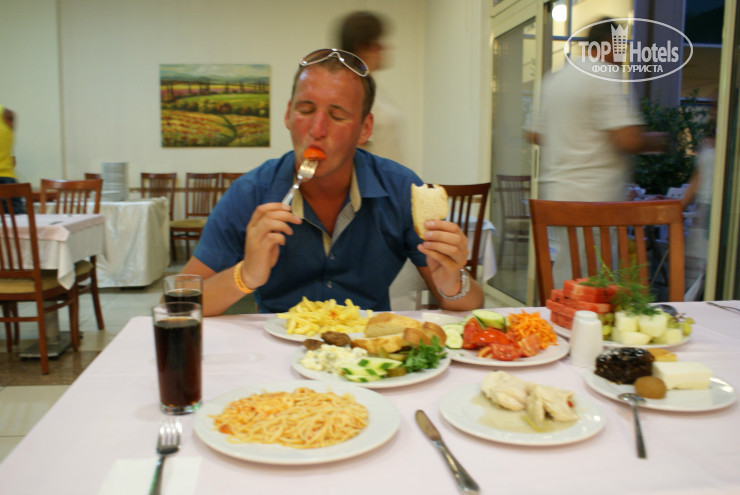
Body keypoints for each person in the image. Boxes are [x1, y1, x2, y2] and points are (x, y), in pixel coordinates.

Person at [181, 49, 483, 316]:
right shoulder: (250, 193)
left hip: (367, 350)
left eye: (337, 116)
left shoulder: (401, 190)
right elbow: (179, 302)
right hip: (275, 353)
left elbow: (471, 304)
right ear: (288, 115)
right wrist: (245, 275)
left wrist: (452, 281)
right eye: (305, 110)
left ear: (365, 129)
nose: (317, 129)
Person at [527, 18, 667, 287]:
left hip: (559, 195)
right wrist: (661, 141)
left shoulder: (555, 80)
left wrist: (572, 135)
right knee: (591, 281)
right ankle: (567, 313)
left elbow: (535, 134)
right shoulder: (603, 75)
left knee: (570, 269)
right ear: (608, 44)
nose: (623, 56)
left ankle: (555, 311)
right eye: (621, 47)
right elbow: (628, 140)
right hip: (592, 199)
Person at [338, 11, 404, 163]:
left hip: (391, 176)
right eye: (378, 43)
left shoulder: (372, 89)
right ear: (361, 47)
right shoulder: (354, 92)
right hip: (376, 178)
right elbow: (355, 158)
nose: (385, 48)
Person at [0, 105, 26, 213]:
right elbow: (13, 161)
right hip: (7, 181)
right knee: (18, 220)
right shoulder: (5, 114)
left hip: (6, 181)